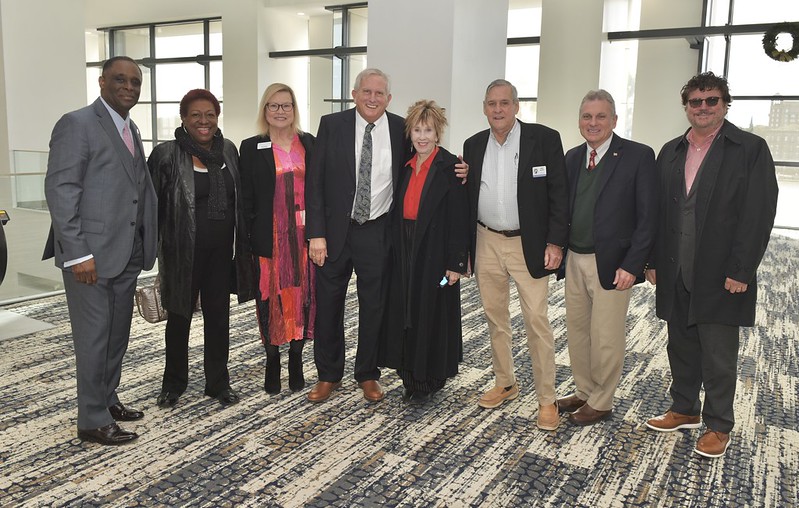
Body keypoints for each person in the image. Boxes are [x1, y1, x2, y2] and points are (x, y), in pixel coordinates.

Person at [306, 68, 468, 403]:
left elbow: (429, 158)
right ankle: (328, 374)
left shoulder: (400, 129)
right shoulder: (331, 125)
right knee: (329, 306)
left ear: (389, 99)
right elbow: (315, 184)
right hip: (334, 233)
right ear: (354, 93)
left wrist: (461, 169)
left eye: (380, 93)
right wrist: (316, 234)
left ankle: (367, 373)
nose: (372, 98)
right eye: (366, 91)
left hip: (378, 232)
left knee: (375, 306)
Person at [644, 72, 778, 458]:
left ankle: (719, 425)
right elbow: (656, 213)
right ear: (686, 106)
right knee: (680, 345)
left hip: (722, 272)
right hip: (675, 267)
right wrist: (652, 261)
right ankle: (684, 408)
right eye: (695, 102)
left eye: (711, 101)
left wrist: (742, 269)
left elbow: (758, 214)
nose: (703, 108)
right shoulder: (670, 151)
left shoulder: (749, 148)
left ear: (725, 104)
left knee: (718, 353)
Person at [43, 56, 157, 445]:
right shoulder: (76, 124)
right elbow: (61, 191)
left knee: (116, 336)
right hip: (88, 257)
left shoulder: (130, 126)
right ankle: (91, 419)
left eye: (135, 82)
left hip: (124, 254)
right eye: (120, 80)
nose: (128, 87)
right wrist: (77, 254)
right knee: (93, 338)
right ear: (102, 82)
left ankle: (106, 399)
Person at [464, 79, 569, 431]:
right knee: (495, 319)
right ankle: (505, 381)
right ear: (484, 107)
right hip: (486, 241)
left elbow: (559, 195)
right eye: (491, 103)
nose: (498, 109)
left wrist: (555, 243)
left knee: (537, 322)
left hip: (530, 244)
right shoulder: (474, 144)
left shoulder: (544, 139)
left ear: (516, 105)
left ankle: (547, 399)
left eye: (504, 103)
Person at [148, 89, 254, 408]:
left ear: (217, 118)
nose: (203, 121)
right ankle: (174, 384)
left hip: (222, 255)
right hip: (182, 254)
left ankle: (217, 382)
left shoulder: (230, 151)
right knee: (179, 319)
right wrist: (148, 250)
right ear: (183, 118)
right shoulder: (166, 155)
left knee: (219, 319)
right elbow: (150, 206)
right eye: (196, 115)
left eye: (210, 114)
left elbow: (240, 202)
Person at [557, 90, 657, 426]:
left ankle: (602, 400)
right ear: (579, 121)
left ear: (614, 120)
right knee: (578, 331)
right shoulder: (571, 158)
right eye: (587, 116)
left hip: (613, 262)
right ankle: (585, 391)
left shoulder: (637, 156)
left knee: (606, 335)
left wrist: (633, 264)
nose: (593, 123)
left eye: (601, 116)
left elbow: (648, 217)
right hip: (574, 257)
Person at [378, 100, 469, 403]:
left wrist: (456, 263)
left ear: (438, 132)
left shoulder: (450, 167)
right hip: (405, 248)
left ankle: (430, 377)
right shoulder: (405, 164)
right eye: (417, 130)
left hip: (436, 253)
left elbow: (459, 218)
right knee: (406, 310)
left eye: (428, 130)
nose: (422, 137)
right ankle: (409, 374)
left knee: (433, 311)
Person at [239, 83, 316, 394]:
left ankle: (296, 357)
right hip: (268, 240)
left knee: (304, 297)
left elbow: (321, 189)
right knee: (268, 299)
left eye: (286, 105)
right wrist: (245, 241)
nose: (280, 111)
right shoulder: (251, 146)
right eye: (273, 105)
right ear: (265, 111)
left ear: (294, 109)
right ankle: (272, 357)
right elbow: (245, 198)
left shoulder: (309, 144)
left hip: (304, 240)